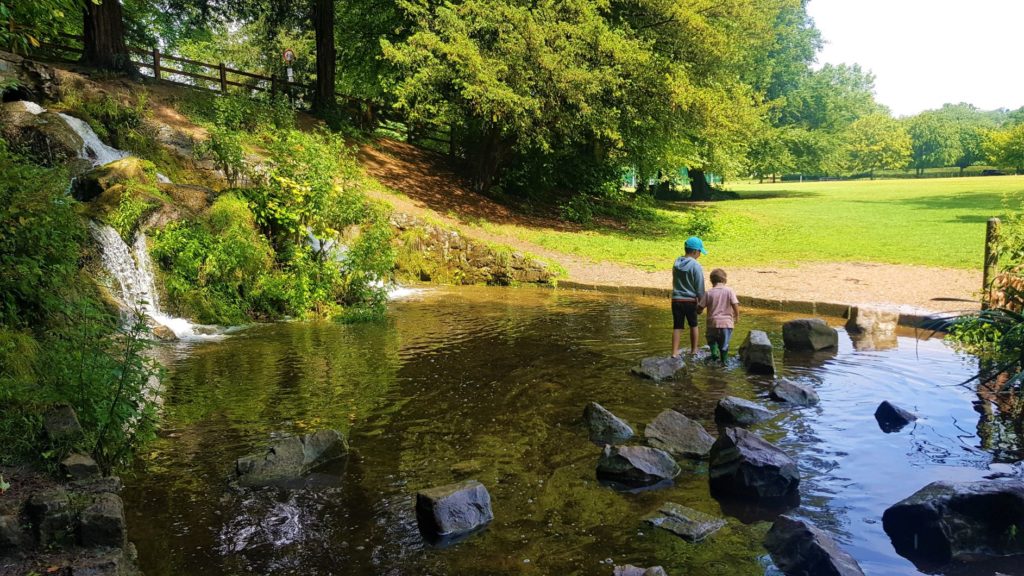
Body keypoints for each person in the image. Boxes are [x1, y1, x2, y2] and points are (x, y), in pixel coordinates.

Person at [671, 236, 706, 357]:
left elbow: (674, 280)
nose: (700, 254)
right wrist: (702, 303)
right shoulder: (696, 265)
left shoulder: (676, 263)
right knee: (694, 325)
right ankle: (694, 350)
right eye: (700, 252)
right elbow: (699, 286)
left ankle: (674, 352)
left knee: (677, 326)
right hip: (690, 301)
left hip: (676, 299)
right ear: (695, 251)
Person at [704, 268, 739, 362]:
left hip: (712, 323)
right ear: (724, 280)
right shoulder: (729, 291)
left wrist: (697, 310)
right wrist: (737, 315)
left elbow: (700, 307)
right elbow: (735, 304)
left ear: (711, 281)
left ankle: (714, 352)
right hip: (726, 324)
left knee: (711, 339)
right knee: (724, 344)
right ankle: (724, 362)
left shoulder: (708, 293)